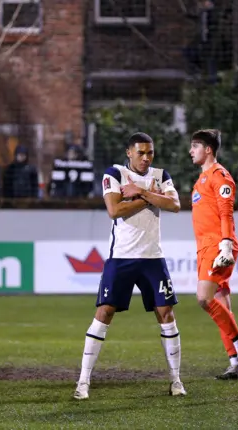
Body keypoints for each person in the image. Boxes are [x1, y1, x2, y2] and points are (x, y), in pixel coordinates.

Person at [74, 132, 186, 400]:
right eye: (141, 153)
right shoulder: (114, 173)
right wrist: (149, 197)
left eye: (150, 153)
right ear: (129, 153)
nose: (146, 158)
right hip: (121, 257)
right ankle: (83, 381)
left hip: (152, 257)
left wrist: (141, 192)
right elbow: (114, 210)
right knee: (105, 312)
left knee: (166, 313)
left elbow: (174, 205)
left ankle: (176, 381)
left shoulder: (161, 174)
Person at [188, 129, 238, 380]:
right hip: (206, 247)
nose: (190, 151)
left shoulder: (220, 176)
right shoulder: (201, 180)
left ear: (208, 149)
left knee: (204, 299)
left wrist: (225, 245)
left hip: (218, 246)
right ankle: (235, 362)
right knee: (223, 307)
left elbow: (226, 213)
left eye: (195, 146)